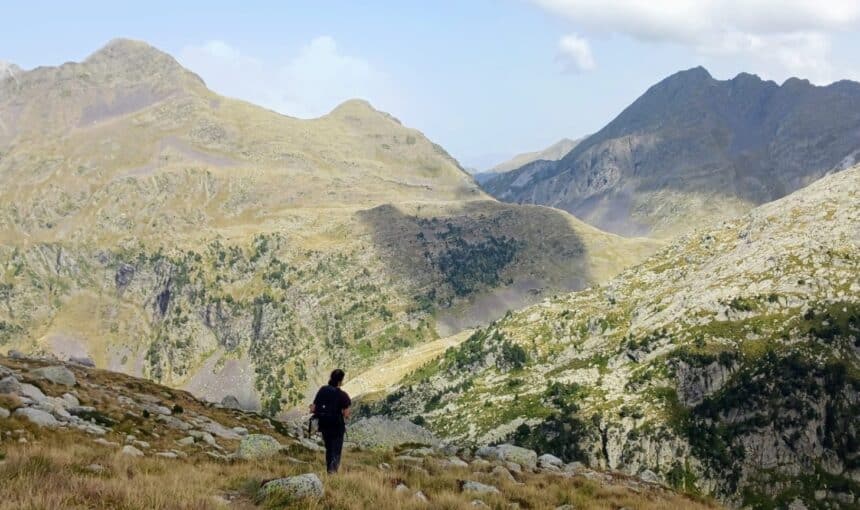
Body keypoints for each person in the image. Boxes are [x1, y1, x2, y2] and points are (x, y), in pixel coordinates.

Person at [310, 369, 351, 474]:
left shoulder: (322, 390)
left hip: (324, 426)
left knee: (329, 449)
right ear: (340, 381)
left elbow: (313, 409)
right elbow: (346, 414)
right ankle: (333, 473)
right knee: (336, 451)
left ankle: (329, 470)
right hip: (337, 427)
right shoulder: (343, 395)